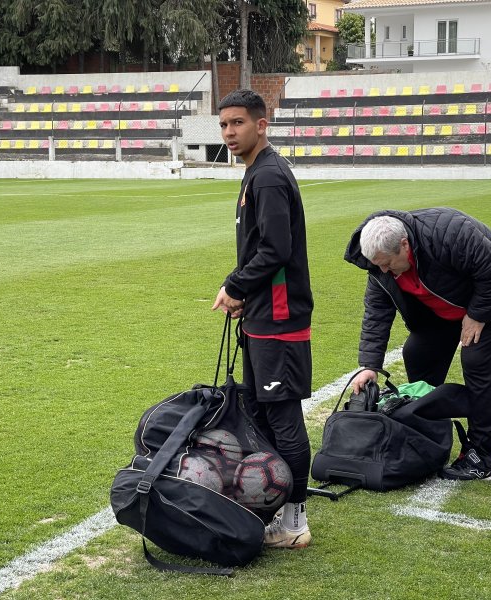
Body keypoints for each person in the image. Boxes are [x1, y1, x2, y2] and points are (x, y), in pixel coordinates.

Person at [344, 209, 491, 481]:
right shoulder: (379, 265)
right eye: (377, 264)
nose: (382, 270)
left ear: (404, 245)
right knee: (418, 353)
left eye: (387, 263)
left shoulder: (451, 231)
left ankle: (481, 455)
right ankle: (428, 436)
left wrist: (477, 315)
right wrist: (370, 365)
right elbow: (376, 312)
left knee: (477, 361)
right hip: (445, 308)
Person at [211, 89, 314, 548]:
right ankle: (273, 508)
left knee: (283, 417)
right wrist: (241, 293)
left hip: (280, 317)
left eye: (237, 123)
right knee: (261, 414)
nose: (230, 132)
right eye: (224, 125)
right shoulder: (257, 172)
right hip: (261, 315)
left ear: (261, 124)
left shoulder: (269, 176)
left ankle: (294, 520)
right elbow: (260, 249)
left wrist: (236, 286)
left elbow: (275, 249)